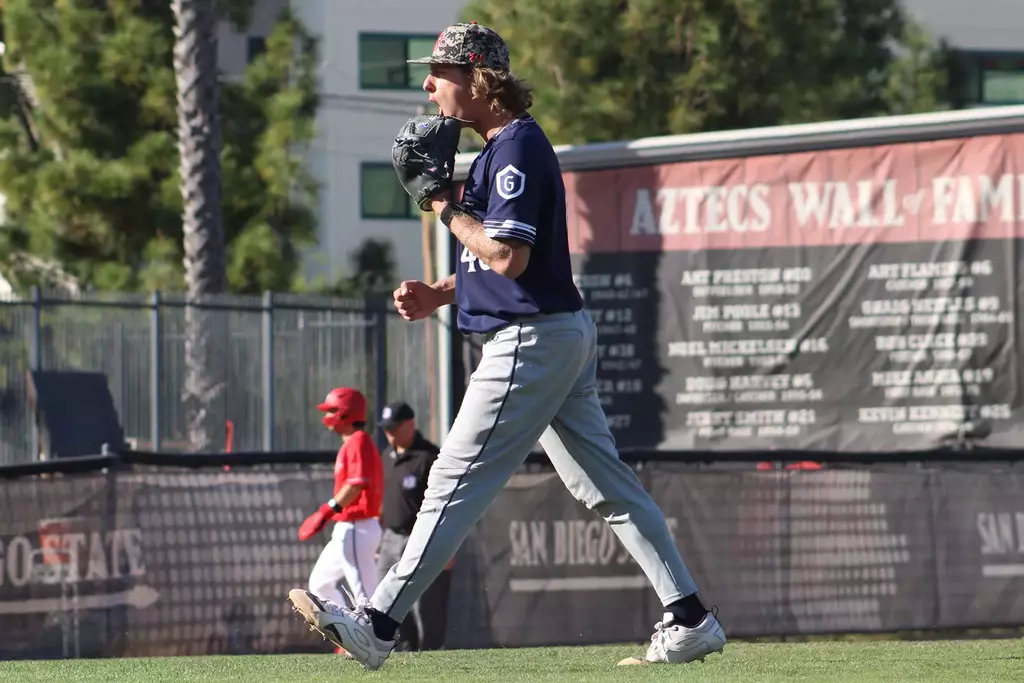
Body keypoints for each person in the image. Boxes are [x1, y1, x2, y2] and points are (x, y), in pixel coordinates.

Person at [288, 22, 726, 670]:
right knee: (605, 486)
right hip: (554, 332)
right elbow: (493, 261)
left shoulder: (516, 146)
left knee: (453, 482)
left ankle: (377, 625)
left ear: (478, 77)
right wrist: (442, 292)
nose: (429, 84)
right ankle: (689, 616)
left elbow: (507, 256)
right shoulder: (502, 148)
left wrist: (441, 201)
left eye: (440, 71)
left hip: (531, 340)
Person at [296, 386, 384, 656]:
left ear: (346, 413)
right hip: (348, 528)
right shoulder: (352, 441)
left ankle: (372, 641)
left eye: (334, 410)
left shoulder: (357, 440)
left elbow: (357, 485)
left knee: (364, 596)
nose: (329, 416)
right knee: (320, 583)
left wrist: (327, 510)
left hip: (358, 526)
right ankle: (351, 635)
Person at [376, 401, 452, 652]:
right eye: (386, 428)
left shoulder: (429, 456)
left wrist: (448, 546)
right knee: (387, 598)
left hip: (420, 541)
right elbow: (385, 500)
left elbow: (446, 504)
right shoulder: (387, 456)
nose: (389, 433)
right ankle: (403, 652)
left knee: (425, 605)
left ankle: (431, 653)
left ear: (410, 424)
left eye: (394, 427)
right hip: (390, 538)